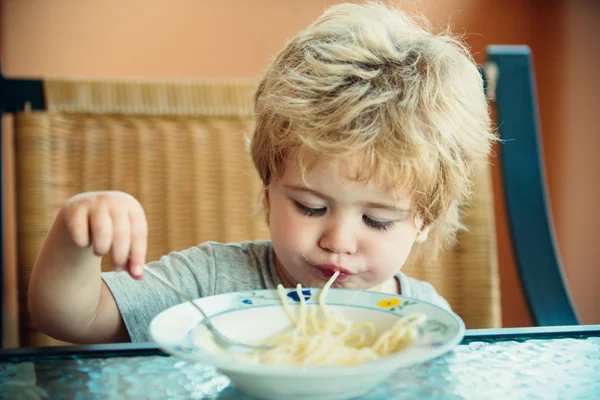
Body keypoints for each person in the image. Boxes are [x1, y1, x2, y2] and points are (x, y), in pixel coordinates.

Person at [28, 1, 495, 344]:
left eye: (377, 220)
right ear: (269, 191)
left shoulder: (422, 318)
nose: (338, 240)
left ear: (424, 221)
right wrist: (78, 239)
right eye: (310, 206)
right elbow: (75, 319)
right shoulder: (212, 283)